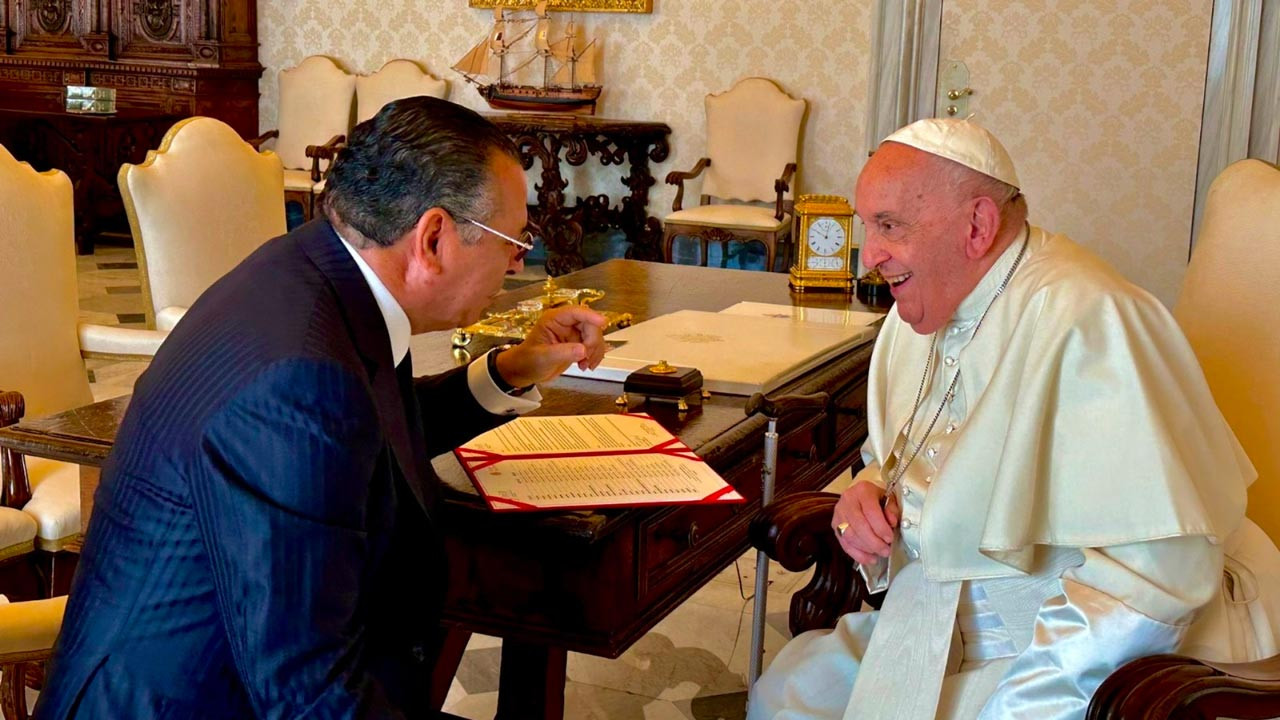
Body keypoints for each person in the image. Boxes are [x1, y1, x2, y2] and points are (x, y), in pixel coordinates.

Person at [37, 97, 607, 719]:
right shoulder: (298, 378)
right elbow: (307, 693)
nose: (519, 261)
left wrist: (508, 371)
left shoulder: (321, 271)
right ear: (434, 237)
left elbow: (366, 428)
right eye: (513, 240)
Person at [749, 118, 1280, 720]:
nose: (867, 256)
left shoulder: (1092, 323)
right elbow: (904, 459)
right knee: (787, 698)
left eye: (889, 226)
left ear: (976, 226)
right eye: (868, 225)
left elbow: (1157, 581)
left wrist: (1018, 708)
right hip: (941, 618)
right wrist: (865, 495)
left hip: (1084, 650)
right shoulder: (917, 311)